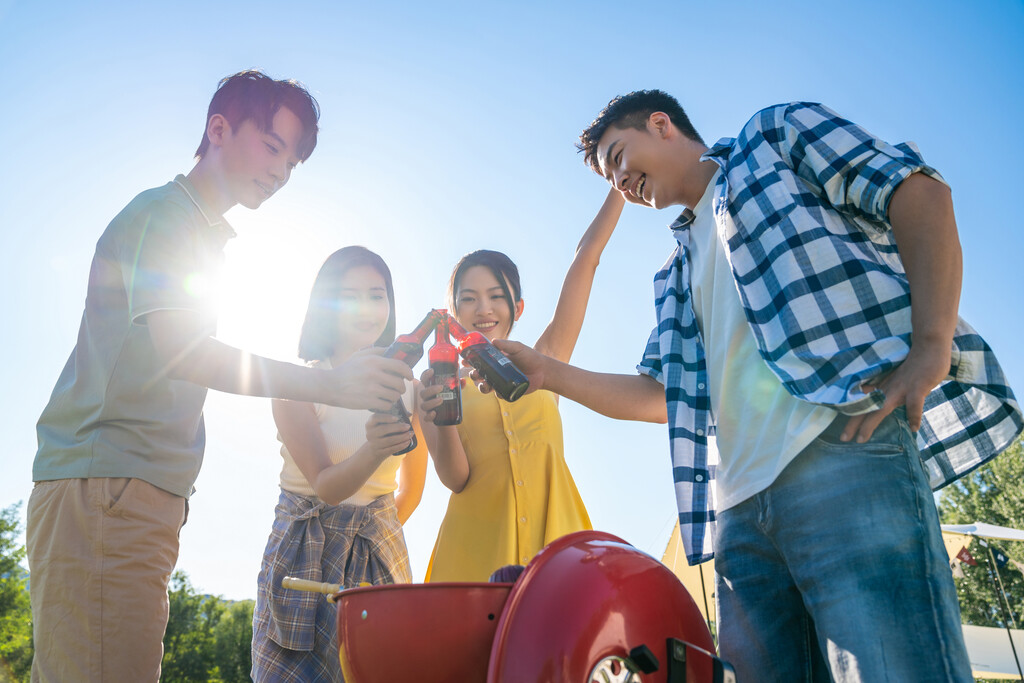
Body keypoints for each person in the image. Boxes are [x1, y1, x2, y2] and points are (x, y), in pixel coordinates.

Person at [488, 91, 1023, 682]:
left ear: (661, 125)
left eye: (618, 156)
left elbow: (917, 191)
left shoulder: (772, 137)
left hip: (840, 449)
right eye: (609, 175)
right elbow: (665, 397)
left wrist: (931, 344)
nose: (619, 181)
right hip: (739, 518)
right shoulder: (674, 273)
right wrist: (548, 373)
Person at [27, 71, 414, 683]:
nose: (281, 171)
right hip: (108, 482)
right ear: (218, 129)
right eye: (272, 146)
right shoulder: (168, 218)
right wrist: (329, 386)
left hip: (135, 490)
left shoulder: (201, 235)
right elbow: (186, 353)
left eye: (292, 160)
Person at [419, 189, 624, 581]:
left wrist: (620, 183)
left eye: (496, 296)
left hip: (560, 552)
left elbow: (587, 258)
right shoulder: (433, 384)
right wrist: (440, 414)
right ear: (454, 313)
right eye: (469, 299)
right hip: (475, 556)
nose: (484, 309)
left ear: (519, 307)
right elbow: (455, 478)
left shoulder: (546, 362)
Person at [251, 246, 428, 682]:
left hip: (378, 552)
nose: (366, 309)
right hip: (302, 555)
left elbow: (413, 490)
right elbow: (328, 487)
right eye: (349, 296)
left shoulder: (411, 387)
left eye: (376, 294)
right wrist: (372, 450)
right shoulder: (299, 382)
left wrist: (371, 531)